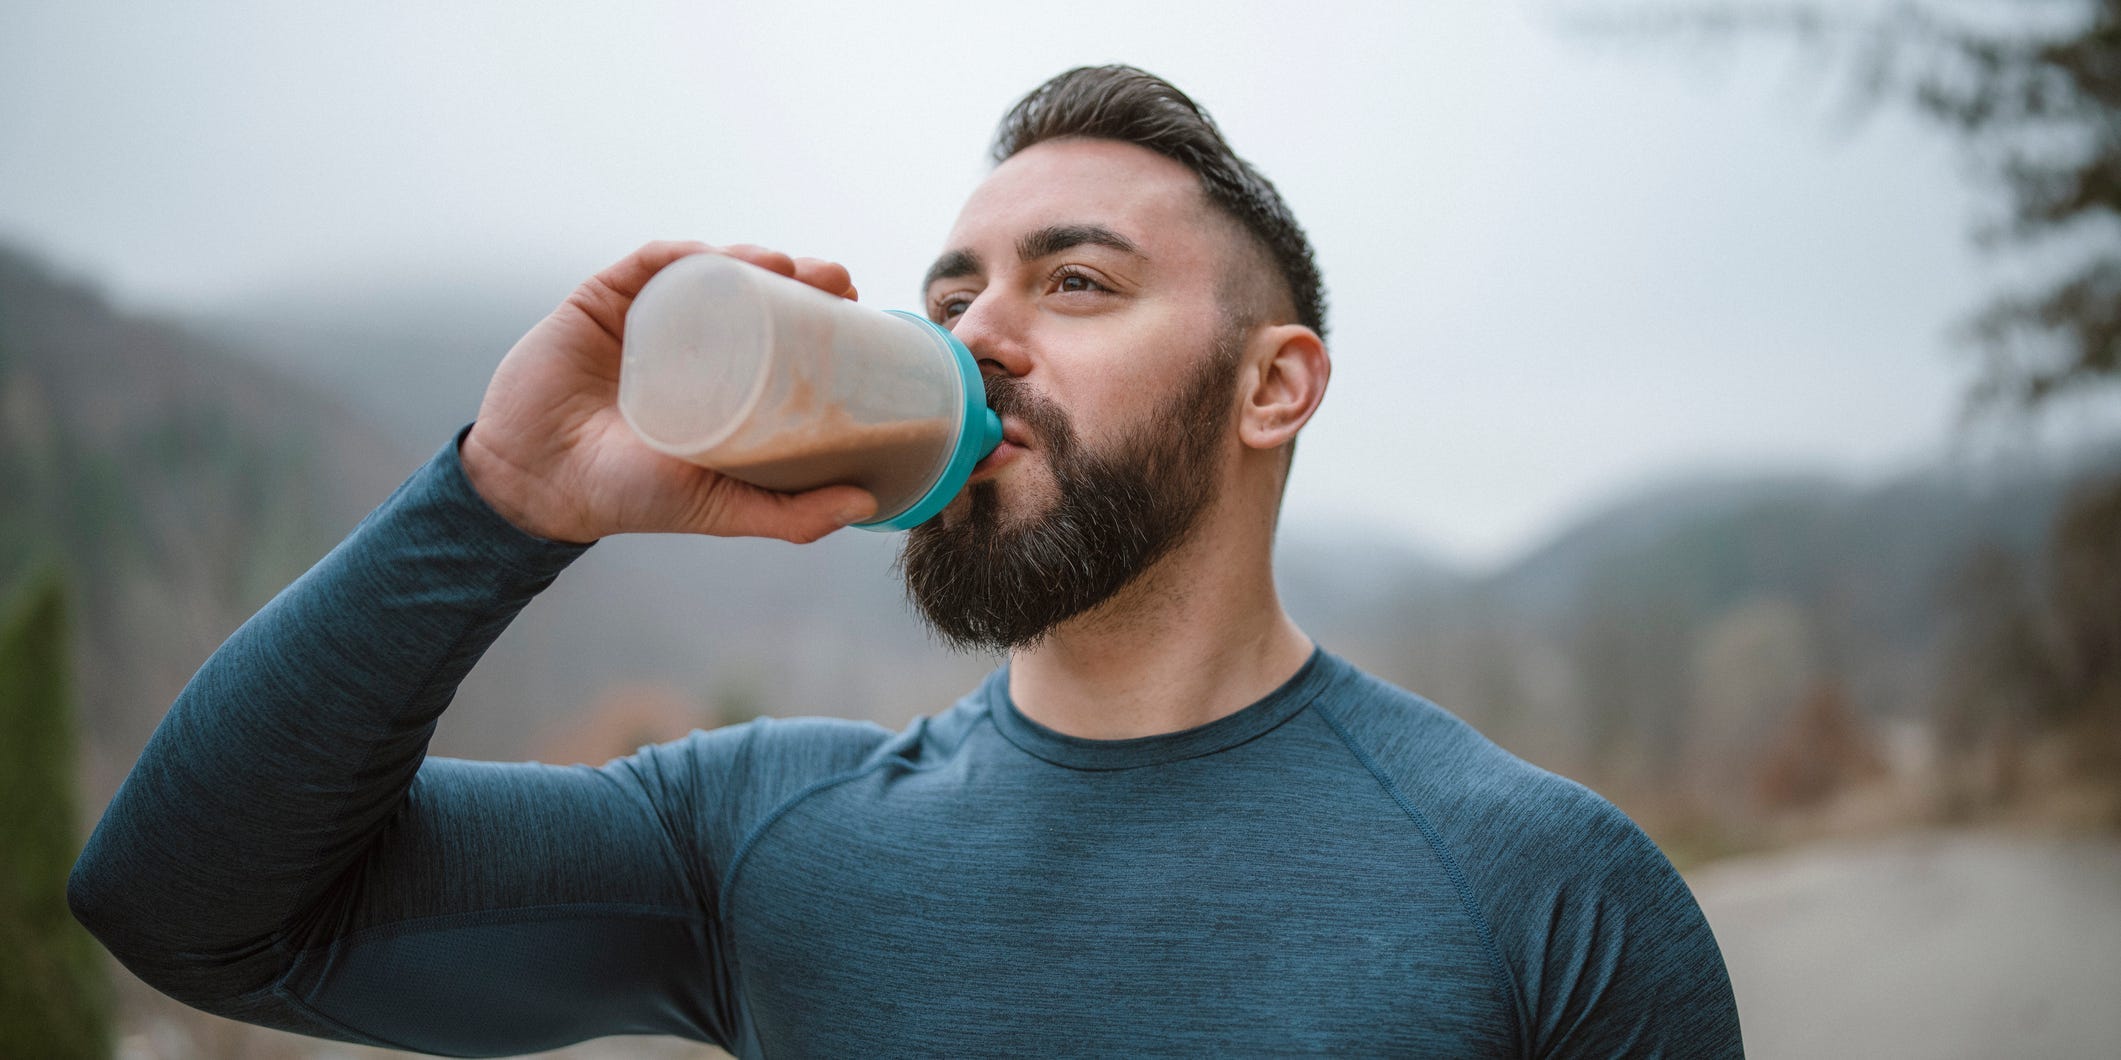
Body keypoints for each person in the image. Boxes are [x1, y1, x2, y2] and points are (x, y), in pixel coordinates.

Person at [70, 66, 1742, 1057]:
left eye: (1074, 284)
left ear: (1272, 384)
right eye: (951, 300)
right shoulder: (752, 842)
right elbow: (191, 910)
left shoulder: (1544, 897)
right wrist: (501, 497)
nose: (977, 337)